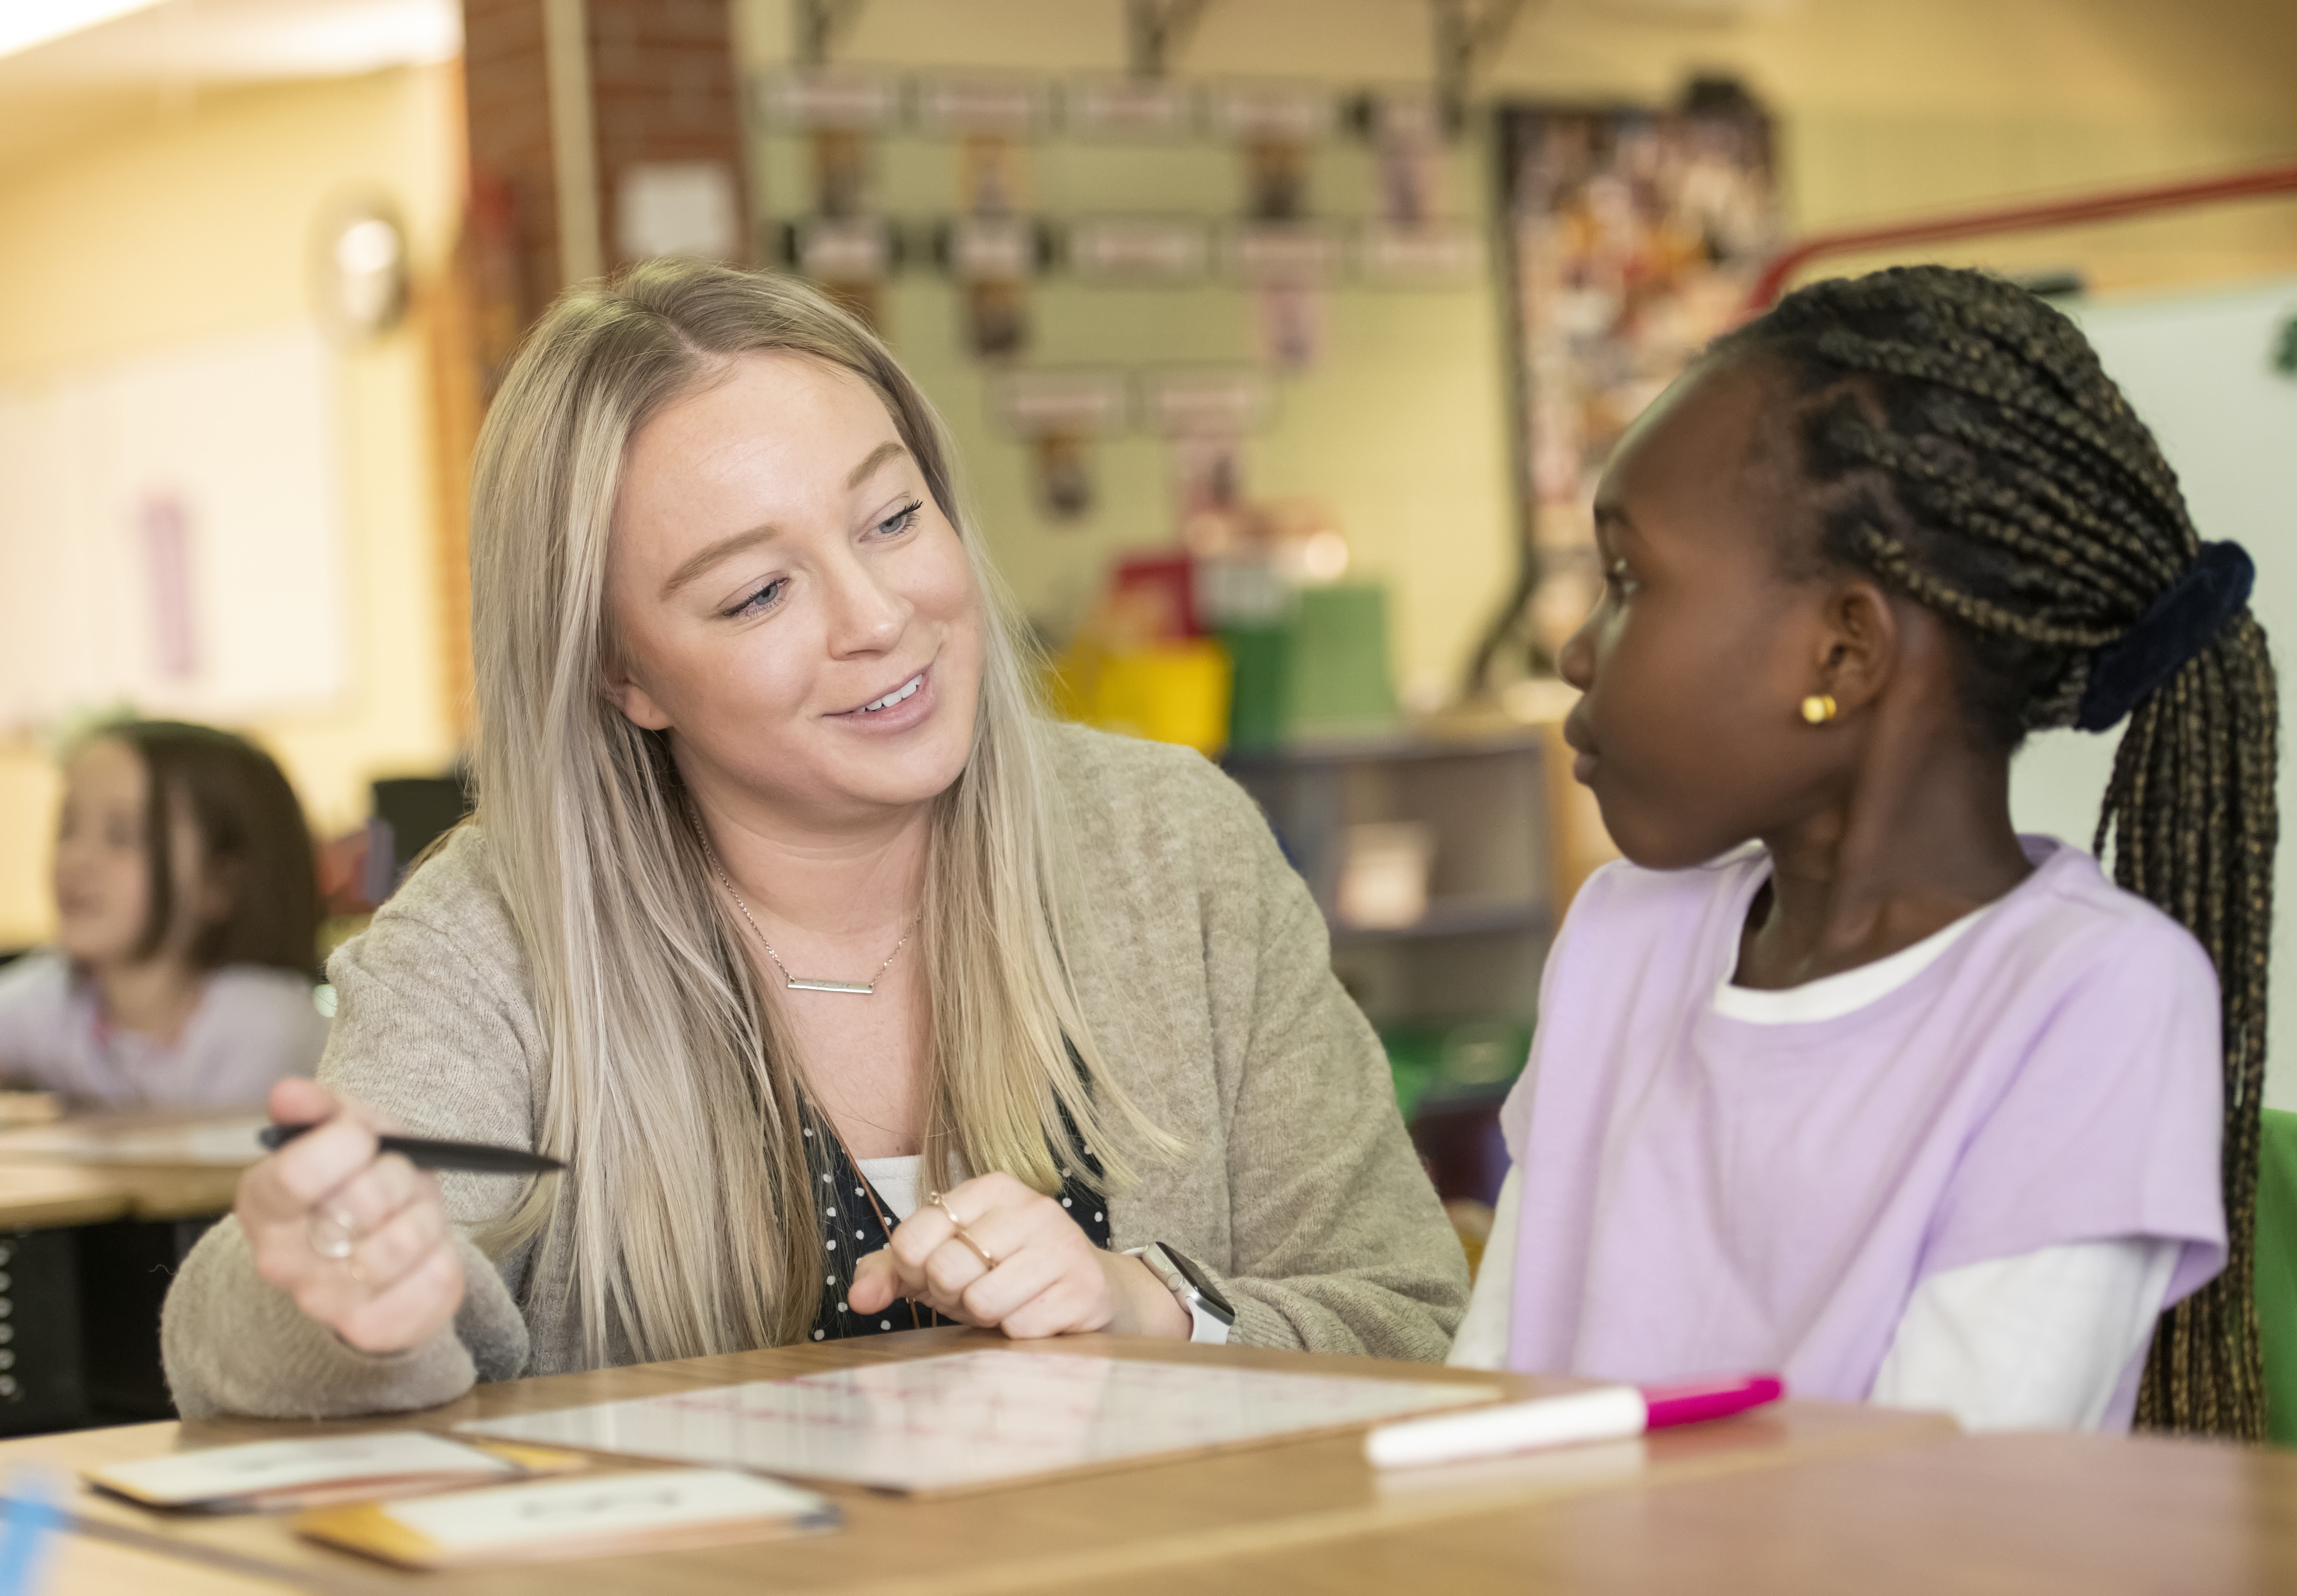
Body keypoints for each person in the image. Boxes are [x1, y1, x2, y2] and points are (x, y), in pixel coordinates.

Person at [161, 260, 1467, 1418]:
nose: (877, 615)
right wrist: (332, 1292)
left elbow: (1416, 1318)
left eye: (892, 518)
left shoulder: (1173, 850)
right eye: (757, 591)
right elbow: (243, 1345)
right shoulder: (490, 938)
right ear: (627, 678)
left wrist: (1152, 1307)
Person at [1451, 265, 2274, 1441]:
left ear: (1841, 655)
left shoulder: (2093, 999)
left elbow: (1927, 1513)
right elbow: (1492, 1389)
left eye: (1628, 581)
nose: (1578, 650)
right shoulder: (1622, 937)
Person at [0, 721, 327, 1110]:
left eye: (121, 837)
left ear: (218, 883)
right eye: (68, 829)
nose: (78, 860)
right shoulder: (55, 995)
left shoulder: (266, 1025)